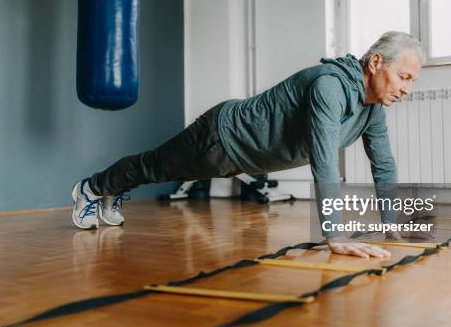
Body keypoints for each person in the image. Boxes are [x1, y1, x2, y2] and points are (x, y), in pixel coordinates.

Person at [71, 31, 424, 258]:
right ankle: (92, 187)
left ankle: (109, 189)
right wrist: (334, 235)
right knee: (152, 167)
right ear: (376, 62)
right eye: (403, 77)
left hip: (242, 158)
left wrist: (390, 220)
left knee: (152, 168)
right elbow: (324, 161)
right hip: (220, 137)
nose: (406, 89)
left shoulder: (372, 108)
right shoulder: (329, 86)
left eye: (411, 81)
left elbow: (384, 164)